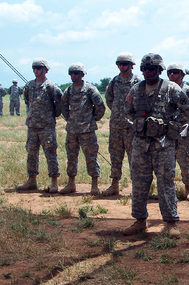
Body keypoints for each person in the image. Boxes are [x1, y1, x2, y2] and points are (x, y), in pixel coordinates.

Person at [122, 53, 189, 239]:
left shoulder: (171, 89)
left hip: (163, 145)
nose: (147, 71)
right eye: (144, 69)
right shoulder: (136, 90)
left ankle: (171, 222)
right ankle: (140, 221)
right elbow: (127, 110)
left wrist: (173, 126)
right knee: (139, 183)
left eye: (151, 68)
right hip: (140, 145)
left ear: (160, 70)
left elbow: (188, 110)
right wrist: (139, 124)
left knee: (165, 183)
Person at [17, 58, 63, 192]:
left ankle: (54, 181)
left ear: (45, 70)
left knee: (50, 153)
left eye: (38, 67)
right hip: (32, 126)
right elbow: (27, 101)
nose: (35, 70)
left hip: (46, 127)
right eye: (34, 68)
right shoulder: (29, 86)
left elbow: (59, 103)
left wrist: (53, 115)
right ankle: (32, 180)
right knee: (31, 153)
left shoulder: (51, 86)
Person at [60, 63, 106, 194]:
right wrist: (69, 117)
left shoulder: (90, 89)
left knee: (91, 157)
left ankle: (94, 185)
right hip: (72, 130)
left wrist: (92, 119)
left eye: (76, 73)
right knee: (71, 157)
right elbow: (63, 105)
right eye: (71, 73)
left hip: (87, 130)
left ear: (82, 74)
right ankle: (71, 184)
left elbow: (100, 106)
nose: (73, 75)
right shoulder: (68, 90)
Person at [103, 52, 142, 196]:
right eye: (119, 64)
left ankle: (136, 187)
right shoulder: (114, 81)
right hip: (116, 125)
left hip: (132, 126)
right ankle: (114, 185)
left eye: (124, 63)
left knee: (135, 157)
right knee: (115, 155)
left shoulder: (138, 82)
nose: (121, 66)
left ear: (131, 65)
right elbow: (109, 100)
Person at [166, 62, 189, 201]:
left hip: (184, 132)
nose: (172, 74)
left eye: (175, 72)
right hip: (167, 132)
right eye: (169, 72)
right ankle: (167, 190)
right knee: (166, 162)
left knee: (186, 160)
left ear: (182, 75)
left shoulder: (188, 91)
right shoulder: (164, 89)